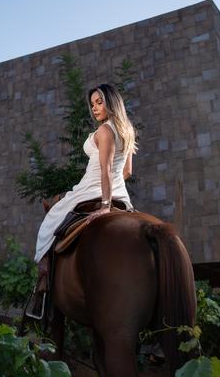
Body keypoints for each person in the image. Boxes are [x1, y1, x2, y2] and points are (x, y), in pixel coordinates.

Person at [28, 83, 138, 317]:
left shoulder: (105, 130)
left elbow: (105, 169)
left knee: (50, 221)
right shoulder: (127, 129)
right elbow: (126, 171)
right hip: (120, 192)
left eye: (99, 102)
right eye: (92, 104)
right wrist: (113, 193)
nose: (95, 108)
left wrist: (105, 205)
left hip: (92, 190)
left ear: (111, 103)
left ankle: (43, 285)